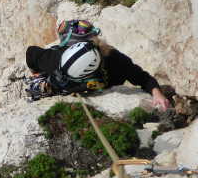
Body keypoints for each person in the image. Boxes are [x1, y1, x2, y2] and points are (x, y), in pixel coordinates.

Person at [25, 20, 171, 111]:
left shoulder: (55, 58)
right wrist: (157, 93)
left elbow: (31, 53)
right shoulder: (112, 56)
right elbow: (141, 77)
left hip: (62, 88)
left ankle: (42, 83)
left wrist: (35, 72)